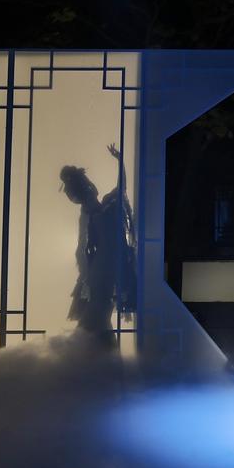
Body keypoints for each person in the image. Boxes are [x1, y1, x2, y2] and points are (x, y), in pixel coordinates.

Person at [61, 143, 136, 343]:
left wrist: (120, 161)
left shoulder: (104, 204)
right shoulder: (91, 210)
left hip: (107, 263)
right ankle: (100, 349)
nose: (91, 187)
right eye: (87, 186)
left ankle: (99, 349)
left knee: (102, 307)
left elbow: (122, 186)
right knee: (100, 307)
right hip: (103, 264)